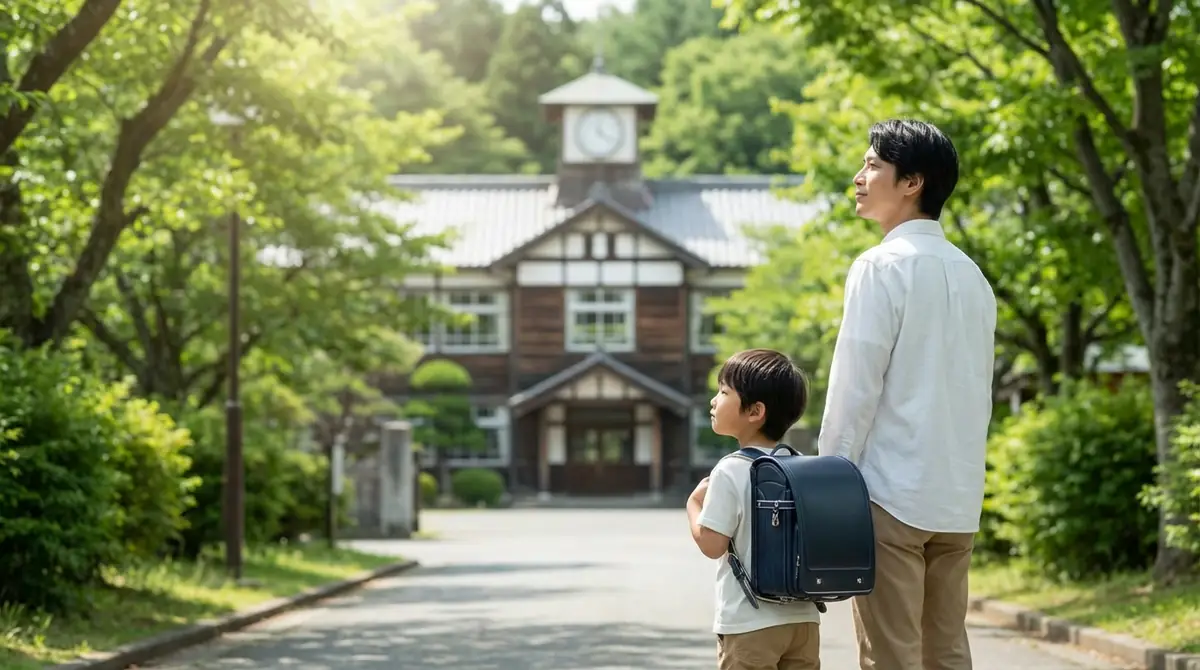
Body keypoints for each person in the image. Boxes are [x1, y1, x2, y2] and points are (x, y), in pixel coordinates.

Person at [817, 118, 997, 670]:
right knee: (945, 650)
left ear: (912, 181)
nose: (858, 176)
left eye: (873, 165)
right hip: (958, 496)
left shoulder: (879, 266)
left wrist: (828, 484)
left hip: (890, 493)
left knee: (890, 655)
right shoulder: (973, 276)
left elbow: (856, 385)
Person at [686, 348, 820, 670]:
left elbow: (712, 544)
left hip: (749, 623)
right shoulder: (801, 466)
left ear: (755, 411)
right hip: (804, 620)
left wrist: (693, 505)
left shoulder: (730, 470)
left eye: (723, 392)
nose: (713, 401)